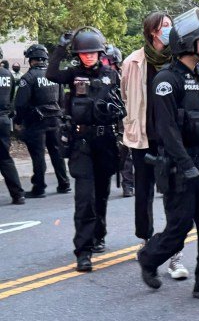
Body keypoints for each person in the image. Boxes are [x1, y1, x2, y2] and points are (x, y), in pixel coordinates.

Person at [137, 8, 199, 302]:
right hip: (181, 166)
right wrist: (186, 166)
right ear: (190, 44)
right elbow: (166, 130)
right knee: (179, 229)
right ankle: (149, 258)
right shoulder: (167, 80)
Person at [47, 27, 126, 271]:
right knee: (84, 199)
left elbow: (122, 107)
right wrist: (60, 49)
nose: (88, 56)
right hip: (81, 143)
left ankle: (98, 235)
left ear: (100, 52)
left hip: (105, 143)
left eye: (93, 52)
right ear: (78, 54)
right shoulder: (72, 74)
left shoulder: (110, 76)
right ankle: (83, 250)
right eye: (84, 53)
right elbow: (51, 74)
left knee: (101, 194)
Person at [121, 12, 188, 279]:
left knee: (174, 196)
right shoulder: (133, 61)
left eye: (171, 25)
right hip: (142, 138)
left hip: (170, 140)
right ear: (152, 31)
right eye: (164, 26)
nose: (168, 30)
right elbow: (126, 95)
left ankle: (175, 255)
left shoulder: (178, 59)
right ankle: (147, 241)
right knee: (143, 192)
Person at [13, 44, 71, 198]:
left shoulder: (28, 78)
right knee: (56, 152)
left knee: (38, 155)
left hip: (36, 122)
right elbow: (61, 99)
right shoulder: (53, 76)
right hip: (55, 120)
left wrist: (18, 120)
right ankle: (64, 183)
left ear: (31, 60)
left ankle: (39, 188)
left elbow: (20, 104)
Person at [102, 45, 134, 198]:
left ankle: (128, 184)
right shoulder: (103, 77)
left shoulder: (123, 76)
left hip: (126, 118)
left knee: (126, 151)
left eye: (106, 60)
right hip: (110, 119)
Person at [0, 46, 25, 204]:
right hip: (3, 120)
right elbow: (10, 98)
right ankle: (18, 195)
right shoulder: (8, 74)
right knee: (5, 158)